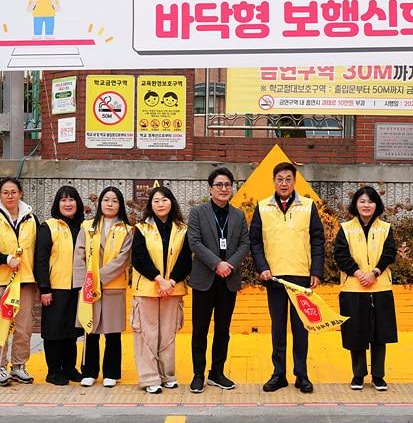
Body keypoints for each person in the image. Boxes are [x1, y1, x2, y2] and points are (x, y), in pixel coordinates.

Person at [249, 161, 325, 394]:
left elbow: (318, 240)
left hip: (301, 277)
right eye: (280, 179)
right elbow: (255, 241)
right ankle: (278, 373)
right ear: (274, 181)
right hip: (274, 278)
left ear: (295, 181)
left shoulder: (308, 206)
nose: (284, 183)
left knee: (301, 328)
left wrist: (316, 272)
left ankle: (301, 375)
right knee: (278, 327)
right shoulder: (262, 207)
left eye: (288, 179)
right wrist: (262, 267)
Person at [187, 167, 250, 393]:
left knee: (223, 330)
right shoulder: (198, 213)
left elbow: (245, 243)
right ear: (210, 188)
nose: (223, 189)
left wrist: (229, 265)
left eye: (227, 185)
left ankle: (217, 372)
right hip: (205, 280)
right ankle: (198, 374)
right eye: (219, 185)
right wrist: (217, 264)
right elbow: (194, 242)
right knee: (200, 330)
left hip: (228, 281)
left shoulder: (238, 215)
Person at [333, 186, 398, 391]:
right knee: (356, 333)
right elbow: (340, 254)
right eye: (362, 201)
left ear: (376, 204)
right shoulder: (345, 228)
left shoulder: (385, 228)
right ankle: (358, 374)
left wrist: (375, 272)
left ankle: (378, 376)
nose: (366, 205)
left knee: (380, 333)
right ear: (356, 204)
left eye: (370, 201)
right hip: (353, 287)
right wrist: (359, 273)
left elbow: (390, 253)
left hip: (380, 287)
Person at [0, 177, 40, 387]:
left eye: (13, 192)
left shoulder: (31, 219)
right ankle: (1, 366)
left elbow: (39, 251)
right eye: (5, 192)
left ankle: (19, 366)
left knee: (24, 326)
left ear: (20, 193)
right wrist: (5, 259)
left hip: (25, 280)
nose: (10, 196)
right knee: (0, 325)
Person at [131, 186, 192, 394]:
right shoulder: (141, 228)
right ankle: (149, 378)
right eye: (156, 200)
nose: (160, 204)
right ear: (151, 205)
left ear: (172, 203)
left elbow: (186, 259)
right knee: (146, 334)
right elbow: (138, 258)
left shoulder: (183, 229)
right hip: (147, 288)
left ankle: (168, 375)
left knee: (167, 333)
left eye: (164, 200)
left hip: (172, 289)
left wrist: (172, 281)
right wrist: (159, 279)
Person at [73, 186, 133, 388]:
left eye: (115, 201)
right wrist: (85, 282)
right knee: (91, 330)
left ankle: (111, 372)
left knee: (112, 332)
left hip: (113, 287)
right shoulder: (87, 226)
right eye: (106, 199)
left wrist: (99, 278)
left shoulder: (126, 229)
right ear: (99, 203)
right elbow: (79, 255)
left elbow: (122, 259)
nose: (110, 204)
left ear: (120, 205)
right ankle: (89, 371)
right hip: (89, 287)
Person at [34, 186, 86, 386]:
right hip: (55, 288)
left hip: (78, 288)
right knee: (54, 331)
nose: (68, 204)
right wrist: (45, 288)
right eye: (63, 200)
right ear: (57, 204)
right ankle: (54, 370)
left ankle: (69, 368)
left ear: (78, 203)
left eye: (71, 199)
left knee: (72, 331)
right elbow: (41, 259)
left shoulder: (84, 226)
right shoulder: (49, 226)